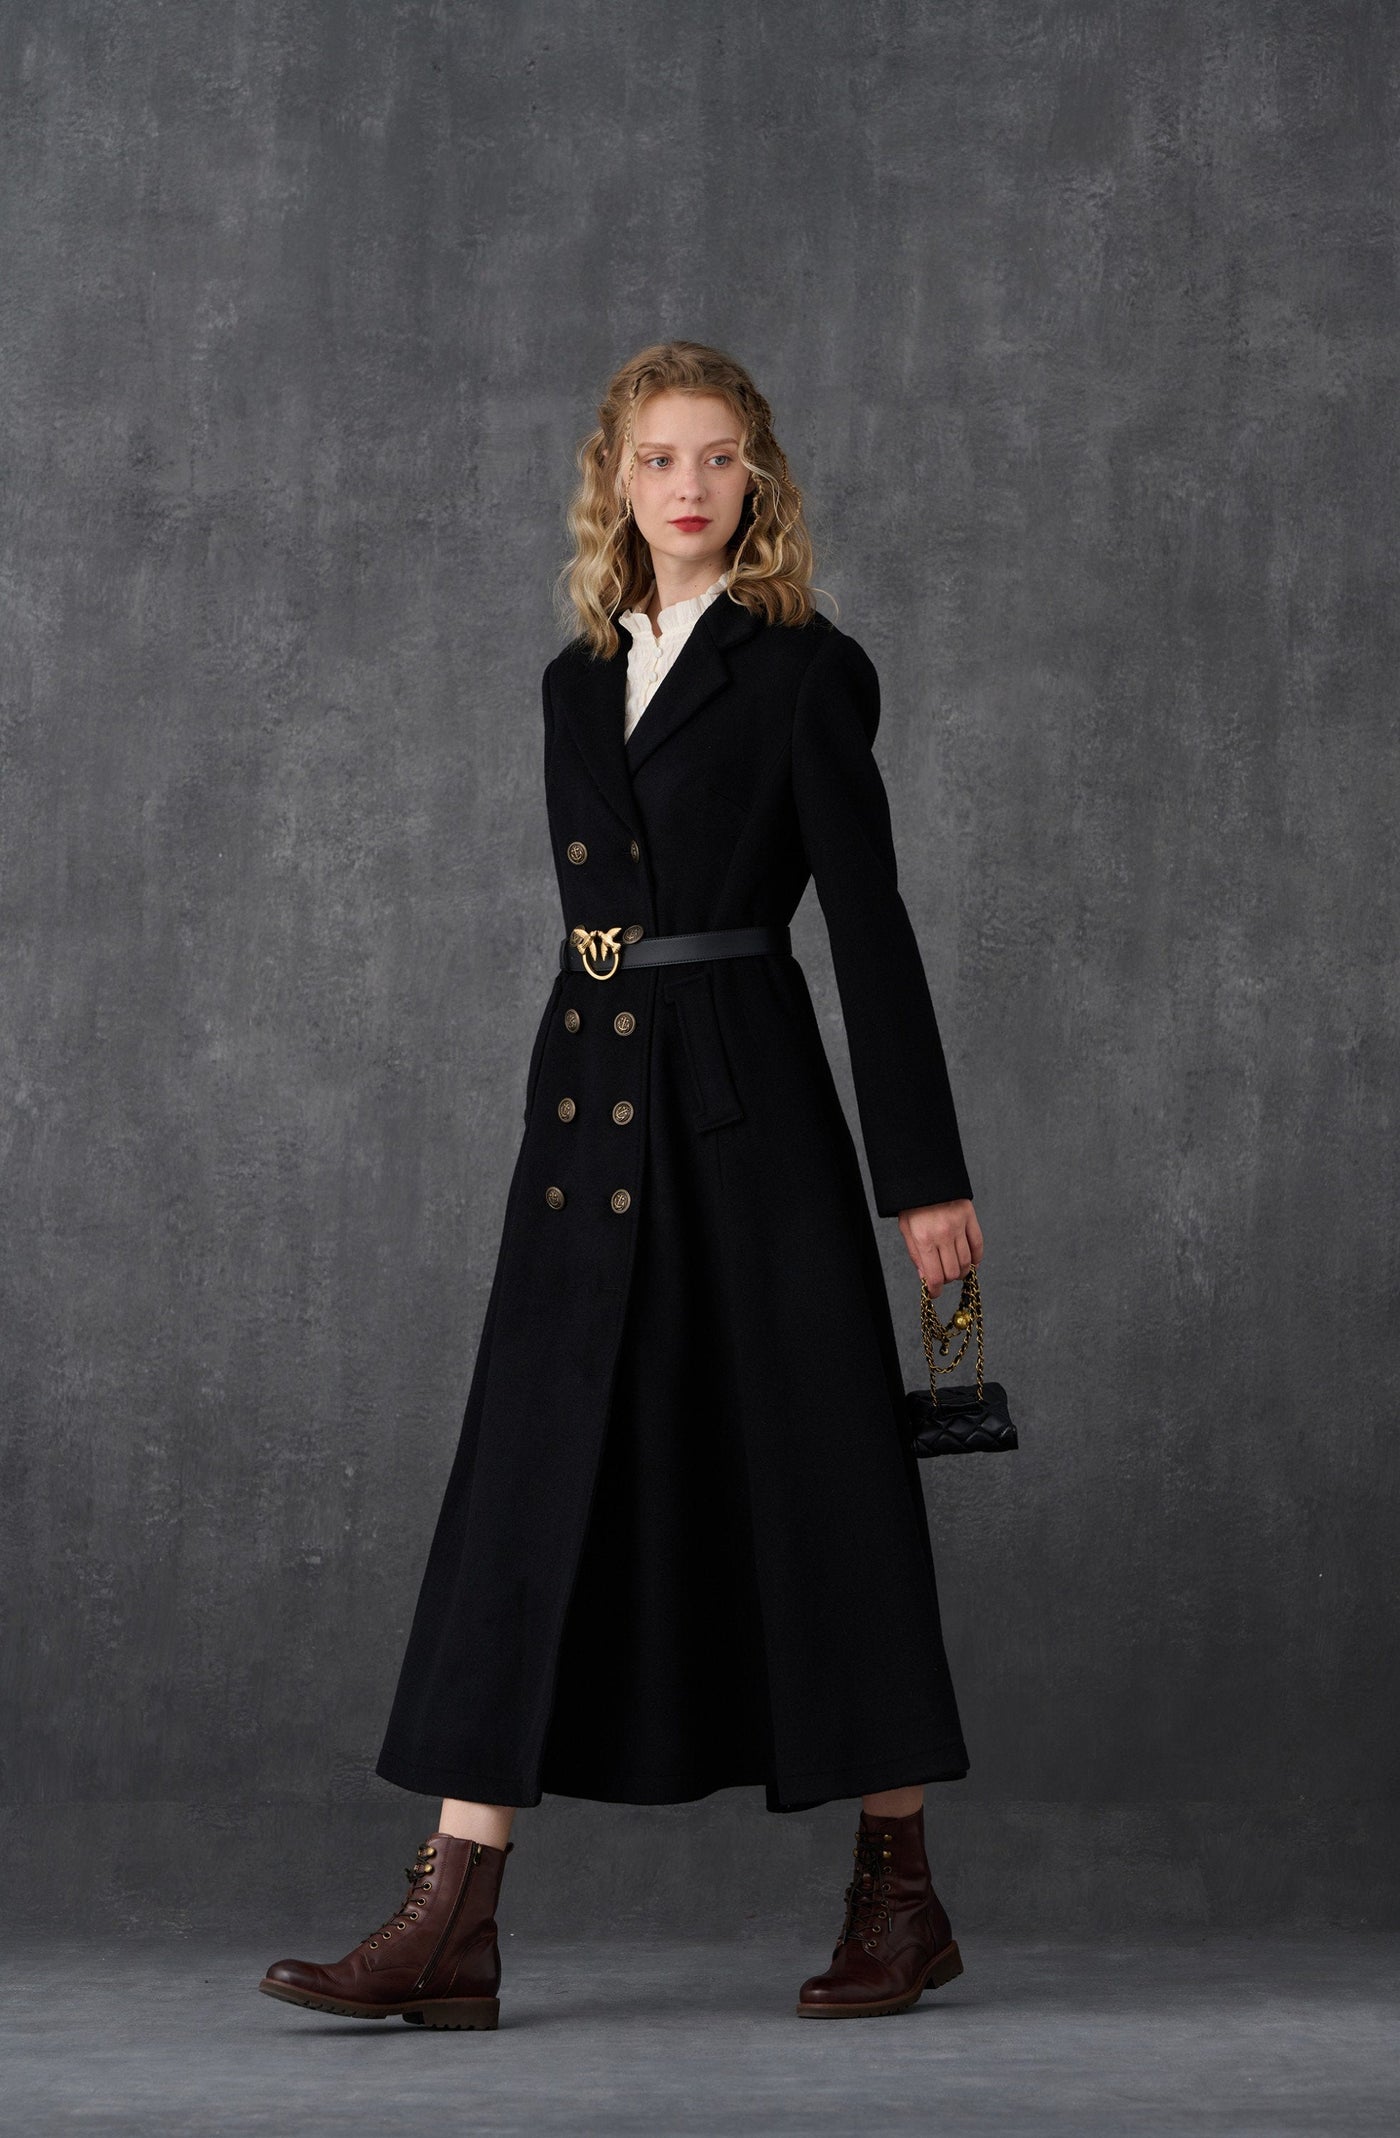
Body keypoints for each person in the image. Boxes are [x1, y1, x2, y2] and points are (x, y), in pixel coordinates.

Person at [259, 340, 985, 2029]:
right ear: (615, 480)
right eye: (657, 457)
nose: (688, 486)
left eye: (717, 457)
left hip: (750, 1111)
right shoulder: (574, 682)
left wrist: (923, 1178)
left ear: (757, 477)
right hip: (588, 1118)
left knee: (823, 1478)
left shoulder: (807, 671)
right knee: (532, 1478)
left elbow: (869, 928)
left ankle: (901, 1891)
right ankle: (452, 1912)